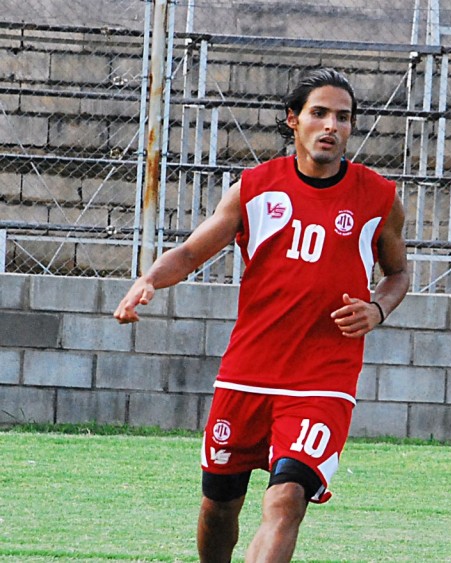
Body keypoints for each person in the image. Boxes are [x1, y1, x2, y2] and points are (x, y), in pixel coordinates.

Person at [114, 67, 409, 563]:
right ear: (293, 120)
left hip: (323, 377)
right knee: (219, 506)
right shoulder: (255, 188)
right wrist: (148, 280)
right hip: (248, 373)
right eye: (319, 114)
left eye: (343, 117)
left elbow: (398, 273)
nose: (331, 126)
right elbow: (189, 253)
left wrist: (377, 308)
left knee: (287, 498)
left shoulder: (378, 197)